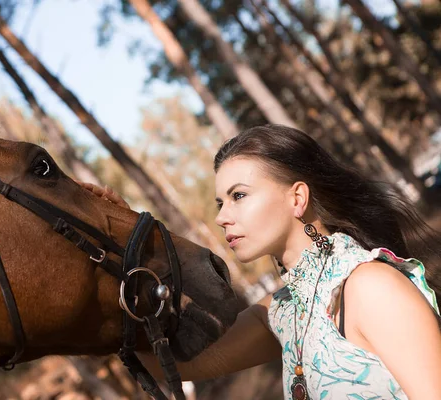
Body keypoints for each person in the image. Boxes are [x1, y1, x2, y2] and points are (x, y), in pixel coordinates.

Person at [80, 124, 441, 399]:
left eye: (239, 195)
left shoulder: (369, 286)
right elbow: (171, 364)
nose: (222, 217)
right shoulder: (282, 313)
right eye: (221, 203)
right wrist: (124, 245)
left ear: (297, 198)